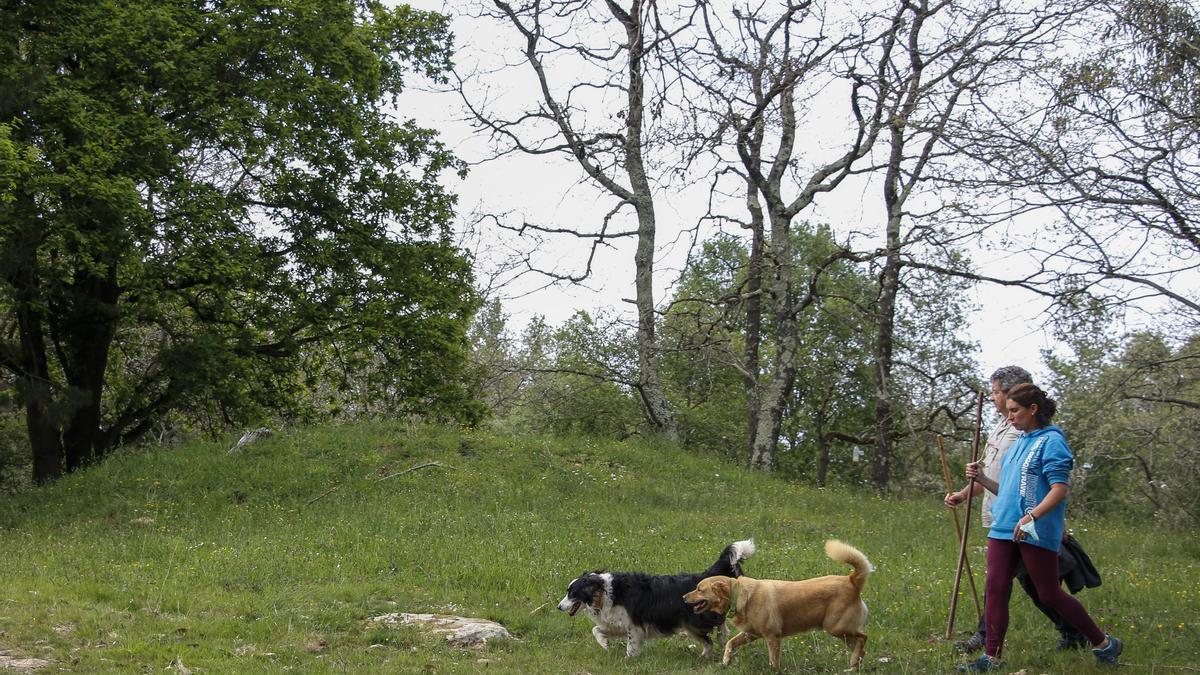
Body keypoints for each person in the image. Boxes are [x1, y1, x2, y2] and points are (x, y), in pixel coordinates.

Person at [957, 383, 1123, 671]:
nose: (1009, 417)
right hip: (1004, 527)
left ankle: (1104, 644)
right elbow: (1009, 491)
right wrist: (981, 479)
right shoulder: (1019, 443)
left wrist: (1031, 517)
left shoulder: (1052, 441)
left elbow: (1059, 489)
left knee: (1048, 594)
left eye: (1014, 410)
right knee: (995, 588)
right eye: (1007, 411)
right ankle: (991, 658)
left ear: (1033, 409)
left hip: (1035, 528)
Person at [944, 366, 1089, 653]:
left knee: (1035, 589)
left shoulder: (1026, 434)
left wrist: (1048, 521)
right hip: (1002, 519)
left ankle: (1086, 636)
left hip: (1026, 524)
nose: (994, 398)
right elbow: (1000, 481)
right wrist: (963, 493)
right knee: (1013, 586)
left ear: (1016, 395)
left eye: (997, 392)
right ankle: (994, 646)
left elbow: (1050, 486)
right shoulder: (1003, 427)